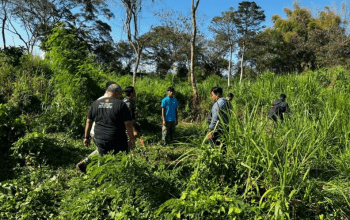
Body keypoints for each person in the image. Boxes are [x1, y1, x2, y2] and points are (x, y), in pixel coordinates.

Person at [77, 83, 135, 173]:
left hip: (99, 138)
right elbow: (128, 124)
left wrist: (86, 137)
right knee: (121, 158)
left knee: (102, 154)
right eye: (119, 94)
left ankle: (90, 167)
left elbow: (88, 121)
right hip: (117, 139)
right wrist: (131, 138)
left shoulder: (95, 103)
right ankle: (119, 176)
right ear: (117, 93)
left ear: (107, 92)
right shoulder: (121, 104)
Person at [207, 87, 232, 152]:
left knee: (215, 147)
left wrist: (211, 131)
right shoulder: (228, 102)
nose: (212, 97)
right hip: (226, 128)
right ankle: (223, 160)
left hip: (217, 130)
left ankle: (216, 160)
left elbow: (215, 118)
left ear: (218, 94)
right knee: (223, 147)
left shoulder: (218, 103)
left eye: (212, 95)